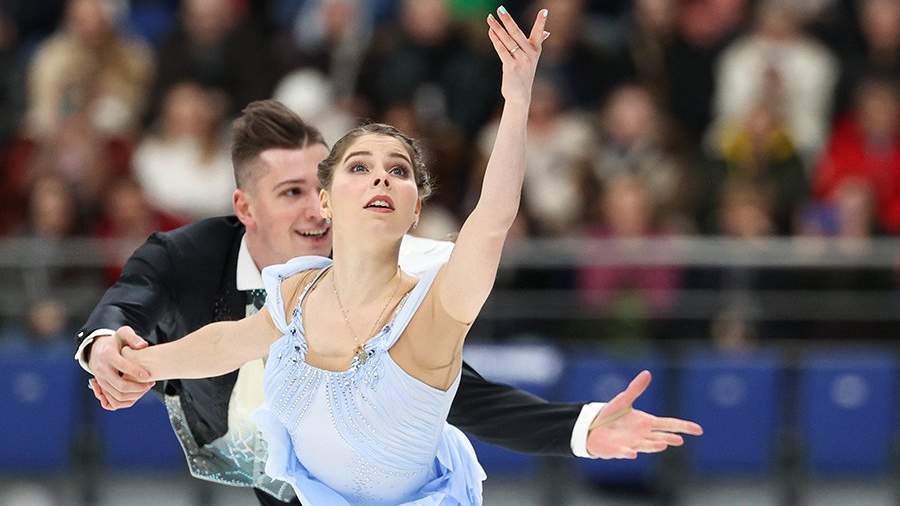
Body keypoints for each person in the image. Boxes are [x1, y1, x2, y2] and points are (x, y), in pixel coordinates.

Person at [98, 8, 702, 505]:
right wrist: (144, 365)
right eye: (360, 167)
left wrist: (517, 100)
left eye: (399, 170)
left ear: (415, 209)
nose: (382, 178)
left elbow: (492, 220)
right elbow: (228, 343)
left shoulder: (435, 306)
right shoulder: (297, 291)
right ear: (326, 201)